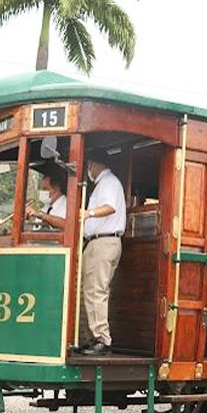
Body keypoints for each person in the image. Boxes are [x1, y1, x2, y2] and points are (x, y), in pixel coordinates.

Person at [78, 149, 126, 356]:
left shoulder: (108, 182)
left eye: (89, 165)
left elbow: (110, 207)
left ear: (95, 165)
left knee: (96, 290)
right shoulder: (104, 184)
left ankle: (102, 339)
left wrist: (89, 213)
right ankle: (92, 337)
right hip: (99, 242)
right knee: (91, 290)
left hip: (104, 241)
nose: (88, 170)